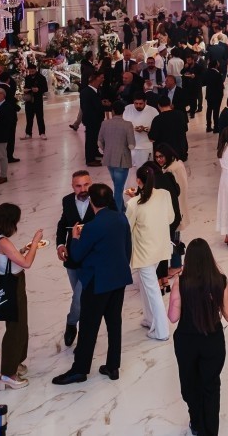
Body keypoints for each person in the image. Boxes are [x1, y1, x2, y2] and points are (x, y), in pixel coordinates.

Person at [53, 183, 133, 385]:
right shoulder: (121, 218)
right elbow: (127, 248)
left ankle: (79, 370)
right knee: (114, 323)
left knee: (89, 326)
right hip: (119, 279)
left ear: (92, 202)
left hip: (97, 283)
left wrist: (75, 238)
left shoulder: (92, 227)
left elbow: (78, 255)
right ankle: (113, 366)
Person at [167, 238, 228, 436]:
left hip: (186, 342)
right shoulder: (221, 280)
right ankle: (210, 431)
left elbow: (173, 317)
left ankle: (197, 424)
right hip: (212, 341)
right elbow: (227, 312)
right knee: (211, 386)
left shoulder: (181, 282)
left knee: (190, 385)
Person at [0, 202, 44, 389]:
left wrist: (20, 251)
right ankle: (8, 374)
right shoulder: (3, 241)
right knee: (16, 329)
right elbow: (26, 264)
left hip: (8, 280)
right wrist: (35, 243)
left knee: (17, 325)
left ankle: (15, 362)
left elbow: (8, 258)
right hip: (13, 283)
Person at [124, 163, 174, 341]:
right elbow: (170, 218)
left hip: (144, 252)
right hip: (160, 248)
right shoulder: (164, 195)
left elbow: (126, 228)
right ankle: (149, 318)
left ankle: (161, 330)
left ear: (138, 181)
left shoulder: (133, 204)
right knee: (146, 287)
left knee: (152, 290)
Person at [55, 170, 97, 348]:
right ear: (73, 187)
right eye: (78, 186)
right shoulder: (67, 200)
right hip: (72, 257)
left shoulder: (99, 199)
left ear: (91, 183)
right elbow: (62, 224)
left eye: (86, 184)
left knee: (80, 297)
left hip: (92, 258)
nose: (83, 189)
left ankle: (73, 325)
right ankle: (73, 323)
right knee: (78, 297)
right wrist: (60, 245)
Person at [98, 102, 136, 212]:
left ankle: (121, 207)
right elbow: (131, 145)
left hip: (109, 158)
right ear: (123, 111)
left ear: (112, 111)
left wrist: (107, 149)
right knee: (119, 188)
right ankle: (118, 212)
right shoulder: (127, 124)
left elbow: (100, 142)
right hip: (122, 159)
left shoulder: (105, 123)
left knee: (116, 185)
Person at [81, 73, 109, 165]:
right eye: (101, 77)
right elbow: (89, 107)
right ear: (95, 79)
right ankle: (90, 160)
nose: (103, 79)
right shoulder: (87, 92)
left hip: (96, 119)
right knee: (90, 139)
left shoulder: (95, 91)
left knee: (95, 138)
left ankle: (95, 152)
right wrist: (104, 105)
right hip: (91, 120)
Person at [22, 65, 49, 140]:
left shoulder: (41, 77)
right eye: (30, 71)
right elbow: (26, 87)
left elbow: (45, 88)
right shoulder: (27, 78)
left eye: (32, 71)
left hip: (38, 100)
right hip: (29, 100)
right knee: (29, 117)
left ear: (36, 70)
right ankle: (28, 133)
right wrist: (26, 90)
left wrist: (38, 89)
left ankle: (42, 133)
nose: (31, 73)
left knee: (40, 117)